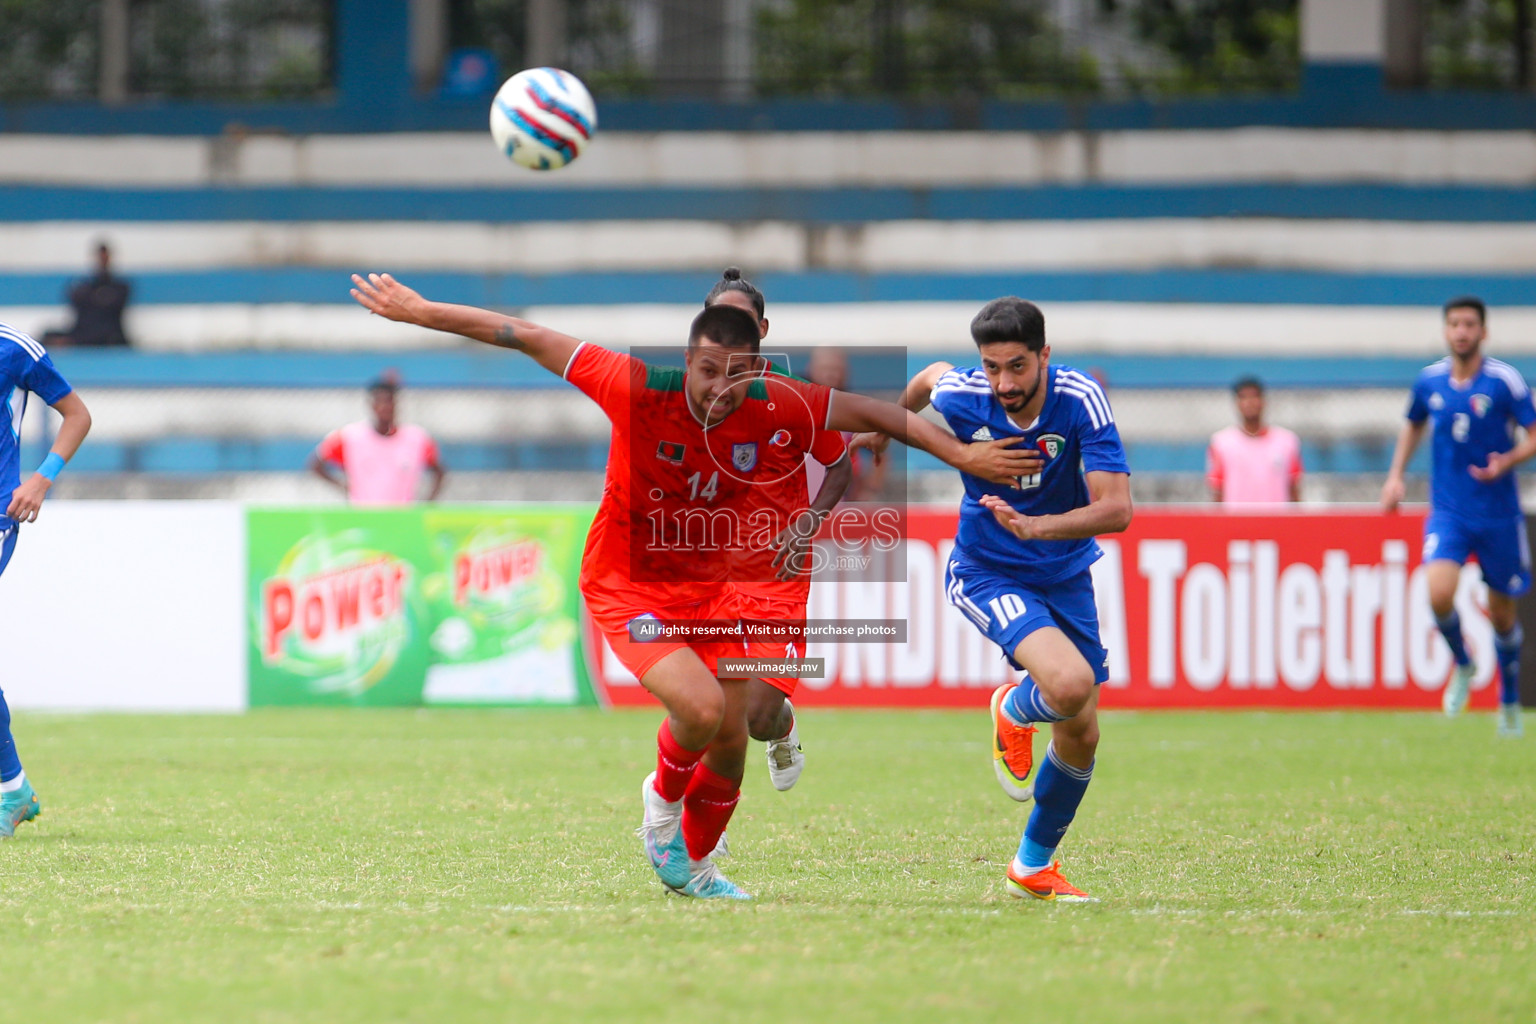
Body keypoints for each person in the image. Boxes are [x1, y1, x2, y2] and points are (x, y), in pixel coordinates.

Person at [348, 271, 1036, 900]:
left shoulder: (779, 406)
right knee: (703, 711)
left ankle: (696, 867)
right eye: (707, 372)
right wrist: (421, 311)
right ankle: (660, 805)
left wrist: (962, 454)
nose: (718, 389)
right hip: (629, 583)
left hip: (717, 588)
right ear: (688, 362)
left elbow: (880, 417)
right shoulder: (634, 386)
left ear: (756, 368)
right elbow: (522, 334)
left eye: (735, 377)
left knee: (735, 742)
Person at [855, 297, 1131, 902]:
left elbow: (1117, 509)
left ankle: (1031, 867)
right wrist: (883, 426)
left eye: (1016, 367)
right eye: (991, 367)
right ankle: (1014, 706)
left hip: (1063, 568)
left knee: (1081, 732)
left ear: (1044, 357)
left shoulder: (1080, 399)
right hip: (986, 569)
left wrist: (1038, 528)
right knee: (1066, 687)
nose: (1003, 383)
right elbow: (930, 376)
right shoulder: (968, 393)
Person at [704, 268, 853, 792]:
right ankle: (705, 831)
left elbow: (839, 463)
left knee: (756, 716)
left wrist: (809, 520)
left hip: (776, 581)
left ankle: (782, 727)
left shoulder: (794, 398)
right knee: (711, 708)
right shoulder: (689, 399)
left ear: (762, 329)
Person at [1382, 296, 1531, 738]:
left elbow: (1534, 434)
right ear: (1446, 331)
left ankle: (1507, 700)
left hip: (1499, 514)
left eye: (1469, 324)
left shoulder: (1504, 381)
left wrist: (1506, 461)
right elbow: (1412, 423)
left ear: (1483, 332)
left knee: (1501, 614)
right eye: (1454, 324)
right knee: (1438, 594)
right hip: (1449, 512)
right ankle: (1464, 663)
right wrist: (1395, 476)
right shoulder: (1429, 381)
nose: (1461, 332)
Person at [0, 322, 93, 838]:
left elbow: (78, 415)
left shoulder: (13, 348)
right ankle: (13, 788)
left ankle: (12, 788)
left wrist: (42, 477)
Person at [309, 372, 446, 505]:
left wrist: (427, 503)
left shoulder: (418, 439)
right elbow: (316, 463)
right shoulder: (349, 437)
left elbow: (439, 471)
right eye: (379, 401)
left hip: (402, 517)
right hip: (363, 515)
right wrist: (343, 486)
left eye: (389, 401)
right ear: (371, 404)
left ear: (397, 404)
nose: (384, 407)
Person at [1207, 376, 1303, 504]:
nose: (1249, 402)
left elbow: (1294, 488)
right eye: (1243, 397)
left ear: (1263, 401)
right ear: (1236, 403)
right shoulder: (1221, 443)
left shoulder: (1287, 441)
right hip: (1237, 521)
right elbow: (1218, 491)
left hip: (1276, 521)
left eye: (1254, 396)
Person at [43, 242, 132, 348]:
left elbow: (111, 306)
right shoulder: (85, 286)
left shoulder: (119, 287)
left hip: (107, 335)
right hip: (82, 332)